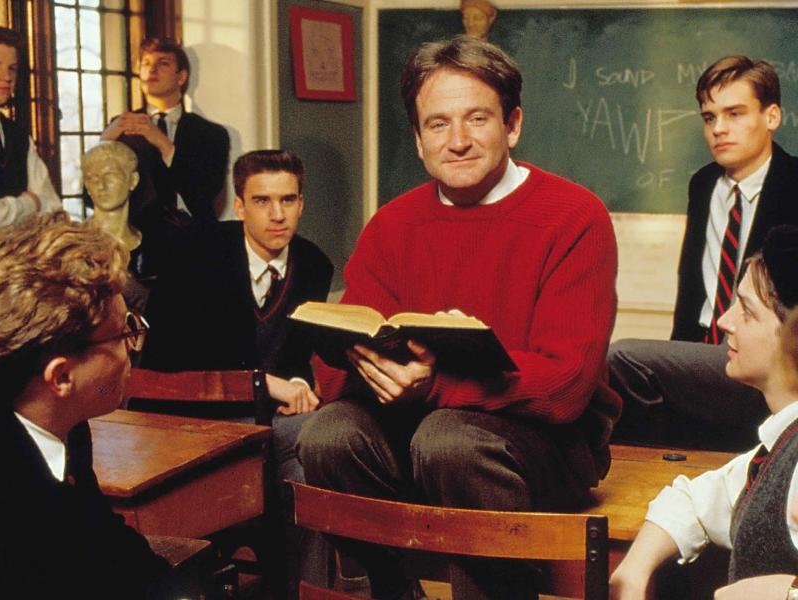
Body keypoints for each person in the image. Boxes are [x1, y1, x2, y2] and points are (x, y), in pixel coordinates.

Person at [297, 35, 619, 600]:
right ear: (419, 140)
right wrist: (374, 369)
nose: (459, 141)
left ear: (512, 125)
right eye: (438, 124)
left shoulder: (574, 216)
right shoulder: (392, 225)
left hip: (546, 447)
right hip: (414, 434)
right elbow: (334, 372)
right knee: (327, 434)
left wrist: (435, 383)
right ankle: (396, 593)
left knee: (448, 440)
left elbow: (567, 387)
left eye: (477, 118)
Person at [140, 149, 333, 598]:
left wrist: (299, 384)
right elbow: (164, 366)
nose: (277, 215)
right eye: (262, 201)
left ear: (302, 203)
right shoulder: (193, 252)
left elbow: (296, 356)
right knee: (302, 448)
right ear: (241, 206)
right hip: (191, 421)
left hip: (270, 422)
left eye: (288, 200)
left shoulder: (314, 264)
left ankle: (308, 588)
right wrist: (262, 384)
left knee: (321, 450)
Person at [0, 211, 195, 599]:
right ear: (62, 377)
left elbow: (101, 544)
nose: (132, 347)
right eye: (123, 333)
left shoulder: (65, 426)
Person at [609, 55, 798, 451]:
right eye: (709, 117)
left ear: (772, 116)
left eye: (735, 113)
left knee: (623, 359)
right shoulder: (703, 184)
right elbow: (694, 286)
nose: (719, 129)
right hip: (702, 347)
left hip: (772, 357)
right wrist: (678, 352)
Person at [609, 225, 798, 600]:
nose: (725, 321)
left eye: (747, 311)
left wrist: (787, 592)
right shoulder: (780, 443)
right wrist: (634, 571)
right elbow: (696, 499)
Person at [101, 37, 229, 274]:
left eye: (163, 63)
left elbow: (204, 194)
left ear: (181, 77)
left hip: (195, 252)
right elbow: (95, 196)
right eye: (146, 63)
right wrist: (105, 142)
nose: (152, 69)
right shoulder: (120, 127)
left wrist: (164, 144)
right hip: (133, 256)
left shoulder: (211, 134)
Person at [0, 26, 59, 227]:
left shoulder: (18, 136)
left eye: (12, 68)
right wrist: (29, 204)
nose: (7, 77)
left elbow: (51, 205)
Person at [84, 141, 141, 254]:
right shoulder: (72, 247)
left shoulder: (155, 247)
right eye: (94, 178)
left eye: (111, 176)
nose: (101, 185)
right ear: (87, 185)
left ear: (133, 180)